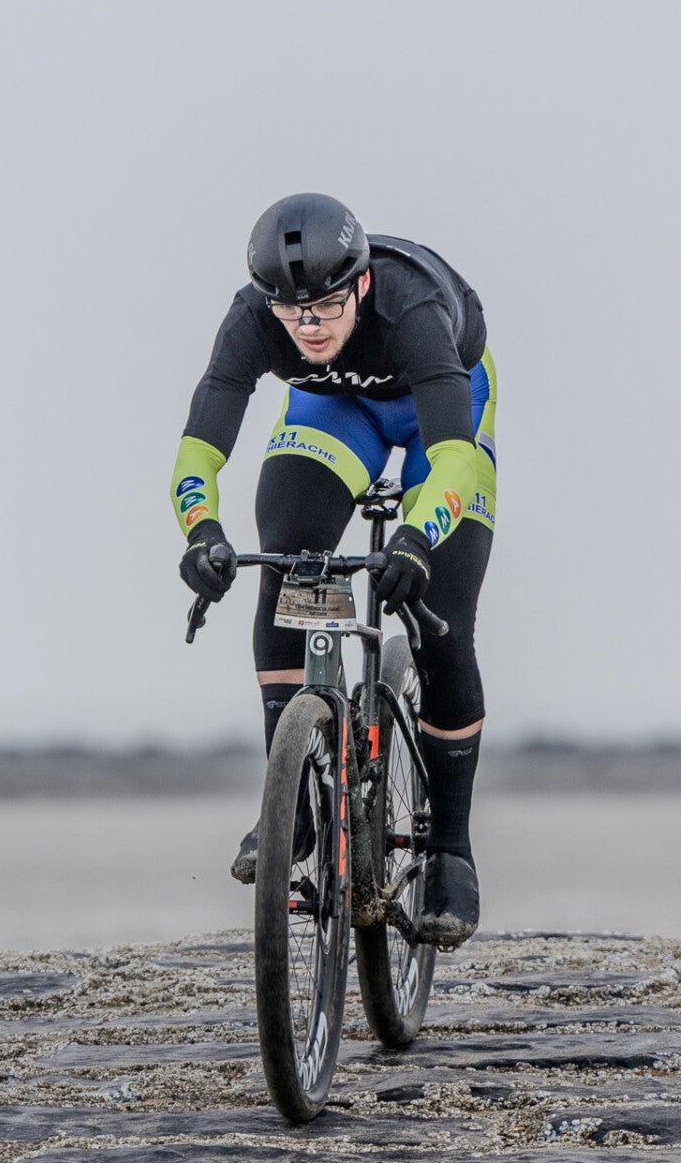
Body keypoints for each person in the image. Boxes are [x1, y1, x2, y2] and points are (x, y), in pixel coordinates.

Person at [170, 193, 497, 949]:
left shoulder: (412, 308)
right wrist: (202, 533)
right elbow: (199, 447)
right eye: (292, 312)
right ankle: (292, 807)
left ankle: (450, 848)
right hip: (333, 411)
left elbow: (454, 459)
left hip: (441, 411)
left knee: (444, 622)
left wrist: (416, 539)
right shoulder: (252, 319)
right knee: (286, 556)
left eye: (324, 307)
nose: (309, 325)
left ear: (360, 284)